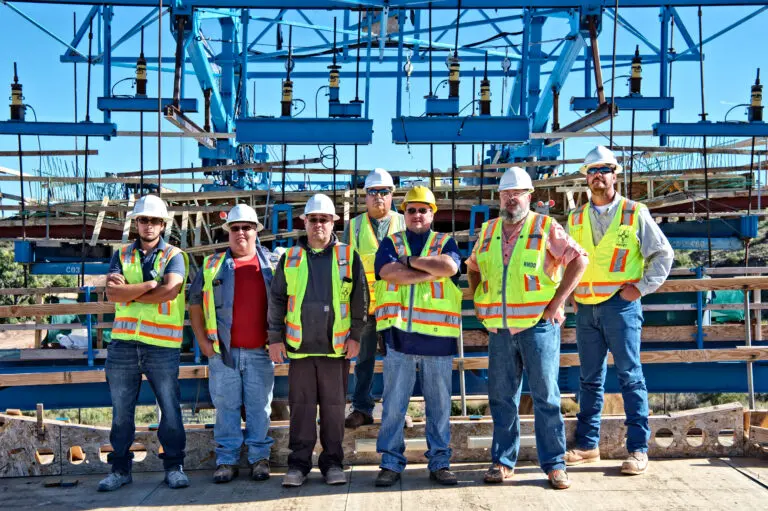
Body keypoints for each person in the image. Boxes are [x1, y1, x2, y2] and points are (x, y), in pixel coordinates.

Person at [467, 168, 588, 490]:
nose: (511, 199)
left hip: (538, 327)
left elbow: (579, 259)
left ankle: (555, 465)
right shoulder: (489, 229)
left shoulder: (545, 226)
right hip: (499, 330)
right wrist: (481, 302)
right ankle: (503, 462)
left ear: (529, 196)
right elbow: (474, 267)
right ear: (500, 197)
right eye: (506, 194)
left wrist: (556, 303)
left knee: (547, 397)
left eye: (517, 193)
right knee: (501, 398)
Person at [565, 146, 673, 475]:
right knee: (589, 380)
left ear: (615, 174)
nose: (598, 176)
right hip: (585, 308)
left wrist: (640, 288)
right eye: (592, 171)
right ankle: (587, 446)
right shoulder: (575, 218)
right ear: (586, 178)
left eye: (604, 170)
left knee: (630, 376)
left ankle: (638, 450)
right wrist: (569, 293)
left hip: (620, 306)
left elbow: (663, 255)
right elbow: (567, 260)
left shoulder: (633, 212)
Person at [268, 193, 367, 487]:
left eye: (324, 219)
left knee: (335, 410)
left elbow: (361, 298)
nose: (318, 225)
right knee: (301, 409)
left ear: (333, 221)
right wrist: (275, 337)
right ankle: (298, 466)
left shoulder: (348, 256)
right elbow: (276, 299)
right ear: (305, 222)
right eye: (313, 219)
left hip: (335, 349)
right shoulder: (290, 257)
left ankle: (333, 463)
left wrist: (357, 336)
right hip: (300, 350)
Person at [372, 185, 462, 487]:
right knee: (394, 405)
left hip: (438, 337)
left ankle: (440, 462)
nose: (417, 214)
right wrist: (427, 269)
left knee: (439, 407)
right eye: (411, 210)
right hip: (399, 336)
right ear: (404, 213)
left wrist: (408, 261)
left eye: (423, 209)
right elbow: (387, 273)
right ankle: (390, 463)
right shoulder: (391, 241)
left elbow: (449, 266)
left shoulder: (445, 241)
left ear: (432, 213)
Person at [100, 194, 190, 491]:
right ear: (136, 223)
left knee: (170, 409)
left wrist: (133, 291)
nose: (148, 225)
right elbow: (112, 294)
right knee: (121, 411)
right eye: (143, 220)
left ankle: (174, 465)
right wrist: (151, 285)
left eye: (153, 220)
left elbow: (169, 291)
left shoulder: (175, 255)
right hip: (123, 344)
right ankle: (120, 469)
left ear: (163, 224)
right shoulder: (122, 254)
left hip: (162, 346)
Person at [189, 204, 275, 483]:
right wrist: (202, 340)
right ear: (228, 232)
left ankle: (259, 458)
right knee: (226, 407)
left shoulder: (273, 265)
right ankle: (226, 460)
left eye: (246, 227)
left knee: (259, 407)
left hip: (260, 352)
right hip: (222, 352)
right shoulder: (212, 265)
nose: (241, 233)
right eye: (235, 228)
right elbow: (194, 304)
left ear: (255, 232)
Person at [344, 168, 405, 429]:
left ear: (392, 195)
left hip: (397, 306)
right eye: (373, 192)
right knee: (364, 359)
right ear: (365, 196)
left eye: (384, 192)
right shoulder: (354, 226)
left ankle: (398, 410)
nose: (378, 196)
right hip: (366, 306)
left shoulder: (405, 222)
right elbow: (347, 267)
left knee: (398, 360)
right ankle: (361, 408)